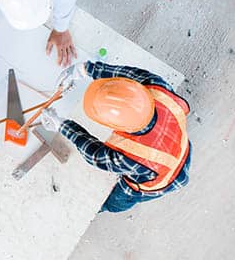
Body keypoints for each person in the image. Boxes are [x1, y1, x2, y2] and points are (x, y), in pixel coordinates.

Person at [41, 61, 191, 212]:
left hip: (164, 180)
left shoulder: (132, 157)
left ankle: (104, 207)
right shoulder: (156, 86)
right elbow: (126, 75)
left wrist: (62, 125)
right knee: (168, 151)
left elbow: (94, 154)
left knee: (117, 201)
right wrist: (84, 69)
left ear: (117, 126)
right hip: (181, 145)